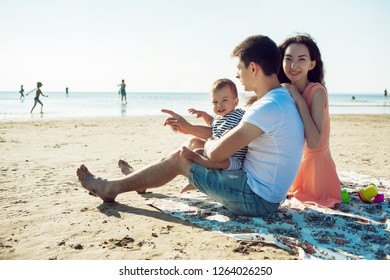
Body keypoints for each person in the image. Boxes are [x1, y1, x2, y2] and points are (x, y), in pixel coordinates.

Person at [77, 35, 304, 217]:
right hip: (265, 193)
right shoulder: (280, 99)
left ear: (253, 68)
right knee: (194, 143)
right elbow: (225, 141)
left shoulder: (266, 107)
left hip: (255, 200)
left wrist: (209, 142)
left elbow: (216, 151)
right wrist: (193, 131)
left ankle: (111, 188)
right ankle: (138, 180)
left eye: (240, 69)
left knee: (182, 157)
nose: (237, 75)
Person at [278, 33, 341, 208]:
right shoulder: (283, 91)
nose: (293, 66)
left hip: (317, 171)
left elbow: (314, 143)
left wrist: (298, 98)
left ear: (312, 64)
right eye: (288, 59)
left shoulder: (317, 91)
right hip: (294, 163)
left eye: (301, 59)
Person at [170, 78, 248, 192]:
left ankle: (196, 167)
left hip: (234, 159)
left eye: (224, 100)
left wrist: (230, 134)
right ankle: (196, 181)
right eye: (215, 102)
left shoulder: (239, 114)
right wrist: (204, 115)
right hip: (217, 153)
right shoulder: (218, 120)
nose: (219, 105)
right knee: (198, 151)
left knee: (206, 158)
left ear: (235, 102)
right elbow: (212, 124)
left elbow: (247, 125)